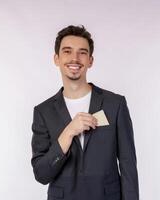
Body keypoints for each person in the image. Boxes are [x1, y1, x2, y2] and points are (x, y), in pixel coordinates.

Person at [31, 25, 139, 200]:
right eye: (67, 51)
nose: (75, 58)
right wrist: (68, 132)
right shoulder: (43, 112)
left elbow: (128, 166)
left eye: (82, 52)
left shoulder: (115, 104)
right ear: (56, 59)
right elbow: (42, 174)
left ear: (90, 60)